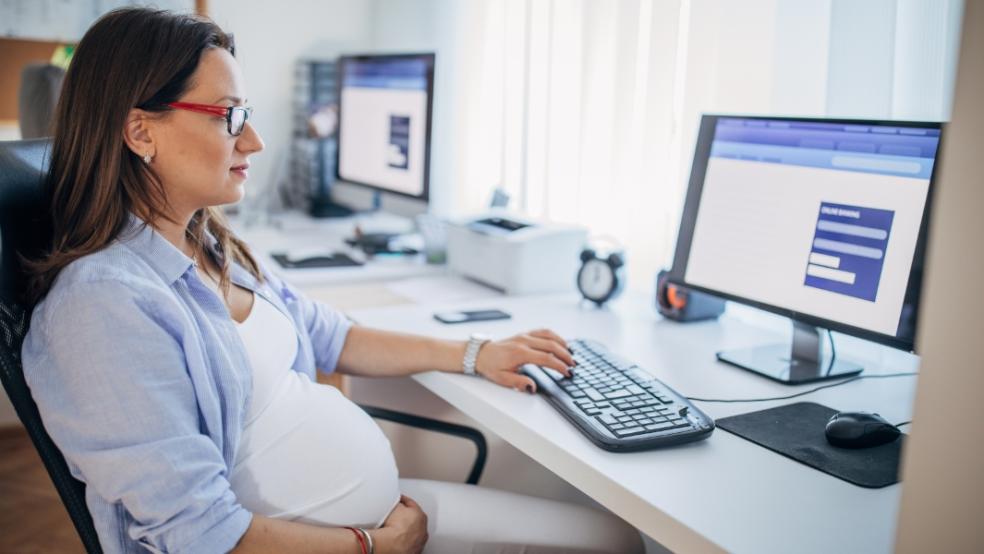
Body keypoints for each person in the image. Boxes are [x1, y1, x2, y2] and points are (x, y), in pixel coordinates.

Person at [20, 8, 645, 554]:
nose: (255, 140)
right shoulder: (101, 308)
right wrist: (370, 545)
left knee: (612, 539)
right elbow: (200, 537)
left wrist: (477, 353)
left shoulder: (206, 245)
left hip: (373, 525)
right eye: (230, 116)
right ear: (140, 131)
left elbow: (331, 335)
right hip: (344, 542)